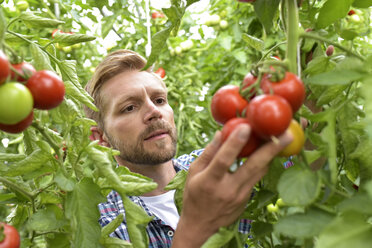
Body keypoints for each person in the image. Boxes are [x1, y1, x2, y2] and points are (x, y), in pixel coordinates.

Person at [84, 49, 292, 247]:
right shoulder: (99, 224)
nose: (154, 111)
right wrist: (196, 227)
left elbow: (302, 163)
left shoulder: (219, 167)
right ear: (100, 137)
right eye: (129, 107)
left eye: (159, 100)